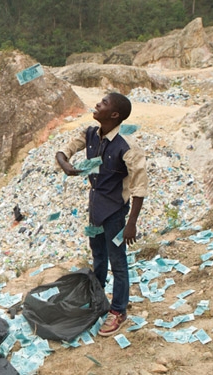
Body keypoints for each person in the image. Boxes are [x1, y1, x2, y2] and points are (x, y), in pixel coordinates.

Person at [55, 92, 148, 336]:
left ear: (114, 115)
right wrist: (66, 166)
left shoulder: (127, 147)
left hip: (116, 214)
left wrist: (132, 224)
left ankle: (118, 310)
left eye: (104, 103)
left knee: (118, 262)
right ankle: (97, 298)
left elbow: (139, 188)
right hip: (94, 209)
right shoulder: (89, 135)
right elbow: (62, 152)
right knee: (98, 256)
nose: (97, 104)